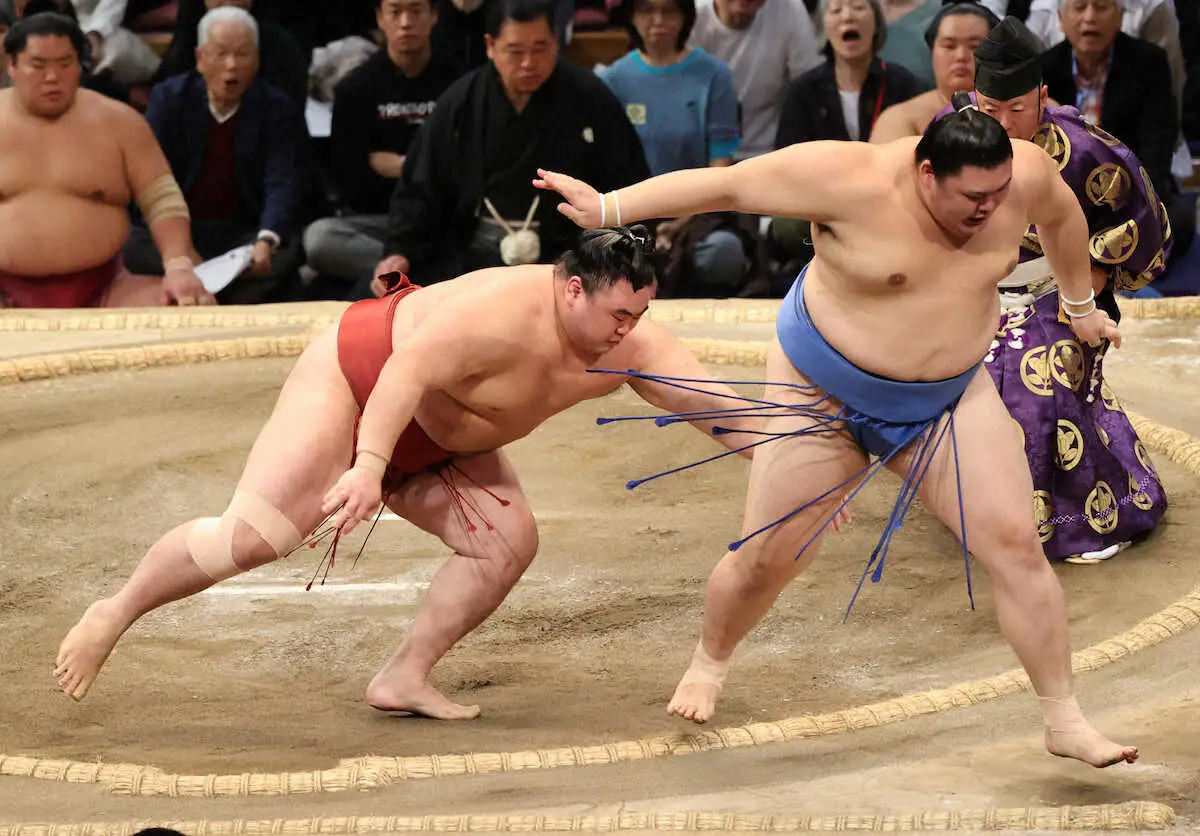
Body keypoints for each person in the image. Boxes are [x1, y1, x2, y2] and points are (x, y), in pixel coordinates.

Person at [535, 96, 1139, 768]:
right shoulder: (846, 179)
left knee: (1016, 550)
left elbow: (1062, 216)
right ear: (926, 171)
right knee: (771, 555)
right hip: (821, 388)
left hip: (944, 397)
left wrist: (1080, 305)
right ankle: (711, 660)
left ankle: (1064, 719)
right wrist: (608, 208)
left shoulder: (1018, 176)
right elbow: (725, 184)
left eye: (998, 194)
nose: (989, 209)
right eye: (972, 196)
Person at [55, 227, 757, 719]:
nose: (627, 330)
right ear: (572, 290)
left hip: (444, 441)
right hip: (360, 381)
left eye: (639, 314)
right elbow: (405, 371)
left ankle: (403, 676)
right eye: (616, 313)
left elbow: (714, 407)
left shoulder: (633, 344)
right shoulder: (495, 314)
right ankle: (114, 611)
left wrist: (788, 460)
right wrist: (367, 466)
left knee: (507, 542)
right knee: (255, 538)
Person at [960, 16, 1170, 561]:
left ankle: (1083, 518)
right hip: (971, 290)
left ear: (1043, 96)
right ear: (972, 99)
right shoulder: (949, 138)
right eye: (989, 111)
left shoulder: (1088, 151)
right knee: (956, 389)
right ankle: (982, 512)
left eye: (1016, 110)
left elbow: (1147, 220)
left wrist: (1093, 272)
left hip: (1058, 289)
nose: (1002, 124)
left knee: (1040, 393)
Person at [371, 0, 649, 292]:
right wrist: (398, 250)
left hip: (568, 257)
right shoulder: (462, 101)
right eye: (515, 51)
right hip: (473, 255)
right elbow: (421, 184)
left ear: (556, 41)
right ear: (491, 46)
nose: (529, 62)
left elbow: (626, 182)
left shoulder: (590, 97)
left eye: (540, 48)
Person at [0, 12, 211, 308]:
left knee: (189, 307)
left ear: (80, 66)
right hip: (4, 294)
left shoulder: (120, 122)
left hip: (108, 290)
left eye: (65, 64)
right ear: (12, 65)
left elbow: (162, 200)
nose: (52, 77)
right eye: (38, 66)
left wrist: (178, 266)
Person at [121, 6, 309, 305]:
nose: (232, 66)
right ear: (200, 59)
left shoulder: (276, 107)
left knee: (284, 249)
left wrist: (265, 240)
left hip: (239, 232)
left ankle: (199, 288)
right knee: (130, 245)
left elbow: (282, 180)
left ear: (257, 60)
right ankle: (219, 289)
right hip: (180, 227)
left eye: (242, 54)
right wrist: (179, 249)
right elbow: (151, 181)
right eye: (221, 54)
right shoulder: (169, 100)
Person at [302, 0, 463, 288]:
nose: (405, 22)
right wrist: (428, 166)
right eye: (396, 12)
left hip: (438, 220)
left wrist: (402, 165)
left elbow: (461, 171)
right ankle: (414, 271)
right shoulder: (356, 87)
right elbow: (350, 182)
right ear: (380, 18)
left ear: (434, 16)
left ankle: (398, 273)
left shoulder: (459, 83)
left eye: (416, 11)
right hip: (376, 222)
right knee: (319, 239)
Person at [598, 0, 754, 297]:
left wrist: (683, 220)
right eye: (646, 10)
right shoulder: (611, 80)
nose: (658, 20)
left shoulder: (714, 75)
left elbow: (720, 167)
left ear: (685, 17)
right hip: (632, 214)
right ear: (632, 17)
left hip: (699, 212)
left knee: (723, 253)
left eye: (669, 10)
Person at [770, 0, 924, 271]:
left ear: (877, 24)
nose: (848, 17)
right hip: (823, 206)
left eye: (859, 8)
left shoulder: (903, 84)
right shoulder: (803, 90)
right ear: (825, 26)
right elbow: (787, 164)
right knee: (786, 226)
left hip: (886, 206)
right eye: (837, 9)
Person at [1041, 0, 1193, 268]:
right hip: (1064, 197)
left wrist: (1138, 205)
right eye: (1079, 8)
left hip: (1132, 191)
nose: (1089, 18)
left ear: (1120, 18)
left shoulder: (1149, 63)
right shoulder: (1044, 68)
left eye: (1101, 7)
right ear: (1061, 20)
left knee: (1177, 219)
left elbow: (1156, 145)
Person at [870, 0, 997, 141]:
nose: (961, 56)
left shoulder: (1013, 113)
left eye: (974, 46)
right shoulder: (900, 118)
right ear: (932, 52)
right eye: (949, 46)